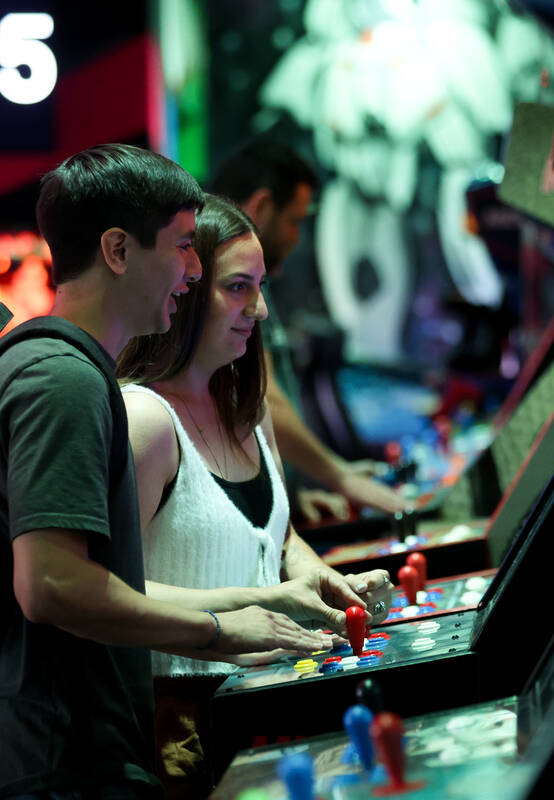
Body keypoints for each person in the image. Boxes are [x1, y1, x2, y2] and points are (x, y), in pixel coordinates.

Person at [0, 145, 367, 800]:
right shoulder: (63, 381)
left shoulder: (72, 371)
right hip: (53, 763)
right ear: (118, 251)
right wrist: (227, 624)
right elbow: (50, 585)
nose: (193, 269)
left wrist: (271, 595)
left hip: (84, 750)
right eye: (182, 247)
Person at [117, 195, 393, 797]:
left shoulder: (248, 406)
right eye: (239, 288)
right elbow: (114, 593)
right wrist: (262, 602)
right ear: (184, 290)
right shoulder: (144, 420)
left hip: (273, 696)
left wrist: (322, 581)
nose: (260, 309)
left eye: (261, 286)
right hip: (181, 725)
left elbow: (276, 533)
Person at [209, 137, 409, 523]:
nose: (297, 237)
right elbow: (262, 398)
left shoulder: (253, 285)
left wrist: (287, 496)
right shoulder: (226, 291)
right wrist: (339, 475)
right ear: (262, 208)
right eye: (295, 221)